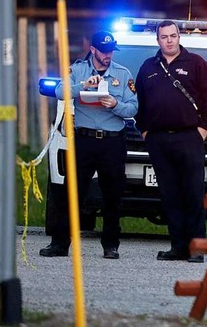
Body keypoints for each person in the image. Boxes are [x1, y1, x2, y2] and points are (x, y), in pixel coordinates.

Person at [40, 31, 138, 259]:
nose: (108, 55)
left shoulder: (122, 74)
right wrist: (83, 86)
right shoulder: (78, 71)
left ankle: (111, 245)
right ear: (93, 50)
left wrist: (115, 104)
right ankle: (60, 243)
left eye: (111, 51)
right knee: (72, 193)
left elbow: (133, 108)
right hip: (84, 140)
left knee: (112, 196)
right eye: (104, 51)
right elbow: (58, 92)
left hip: (112, 142)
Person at [134, 20, 207, 262]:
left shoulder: (196, 64)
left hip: (189, 138)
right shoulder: (148, 67)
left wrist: (202, 128)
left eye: (173, 35)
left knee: (193, 193)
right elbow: (137, 102)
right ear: (158, 40)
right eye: (164, 37)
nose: (169, 40)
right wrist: (144, 131)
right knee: (169, 195)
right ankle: (177, 247)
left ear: (179, 37)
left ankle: (196, 248)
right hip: (158, 140)